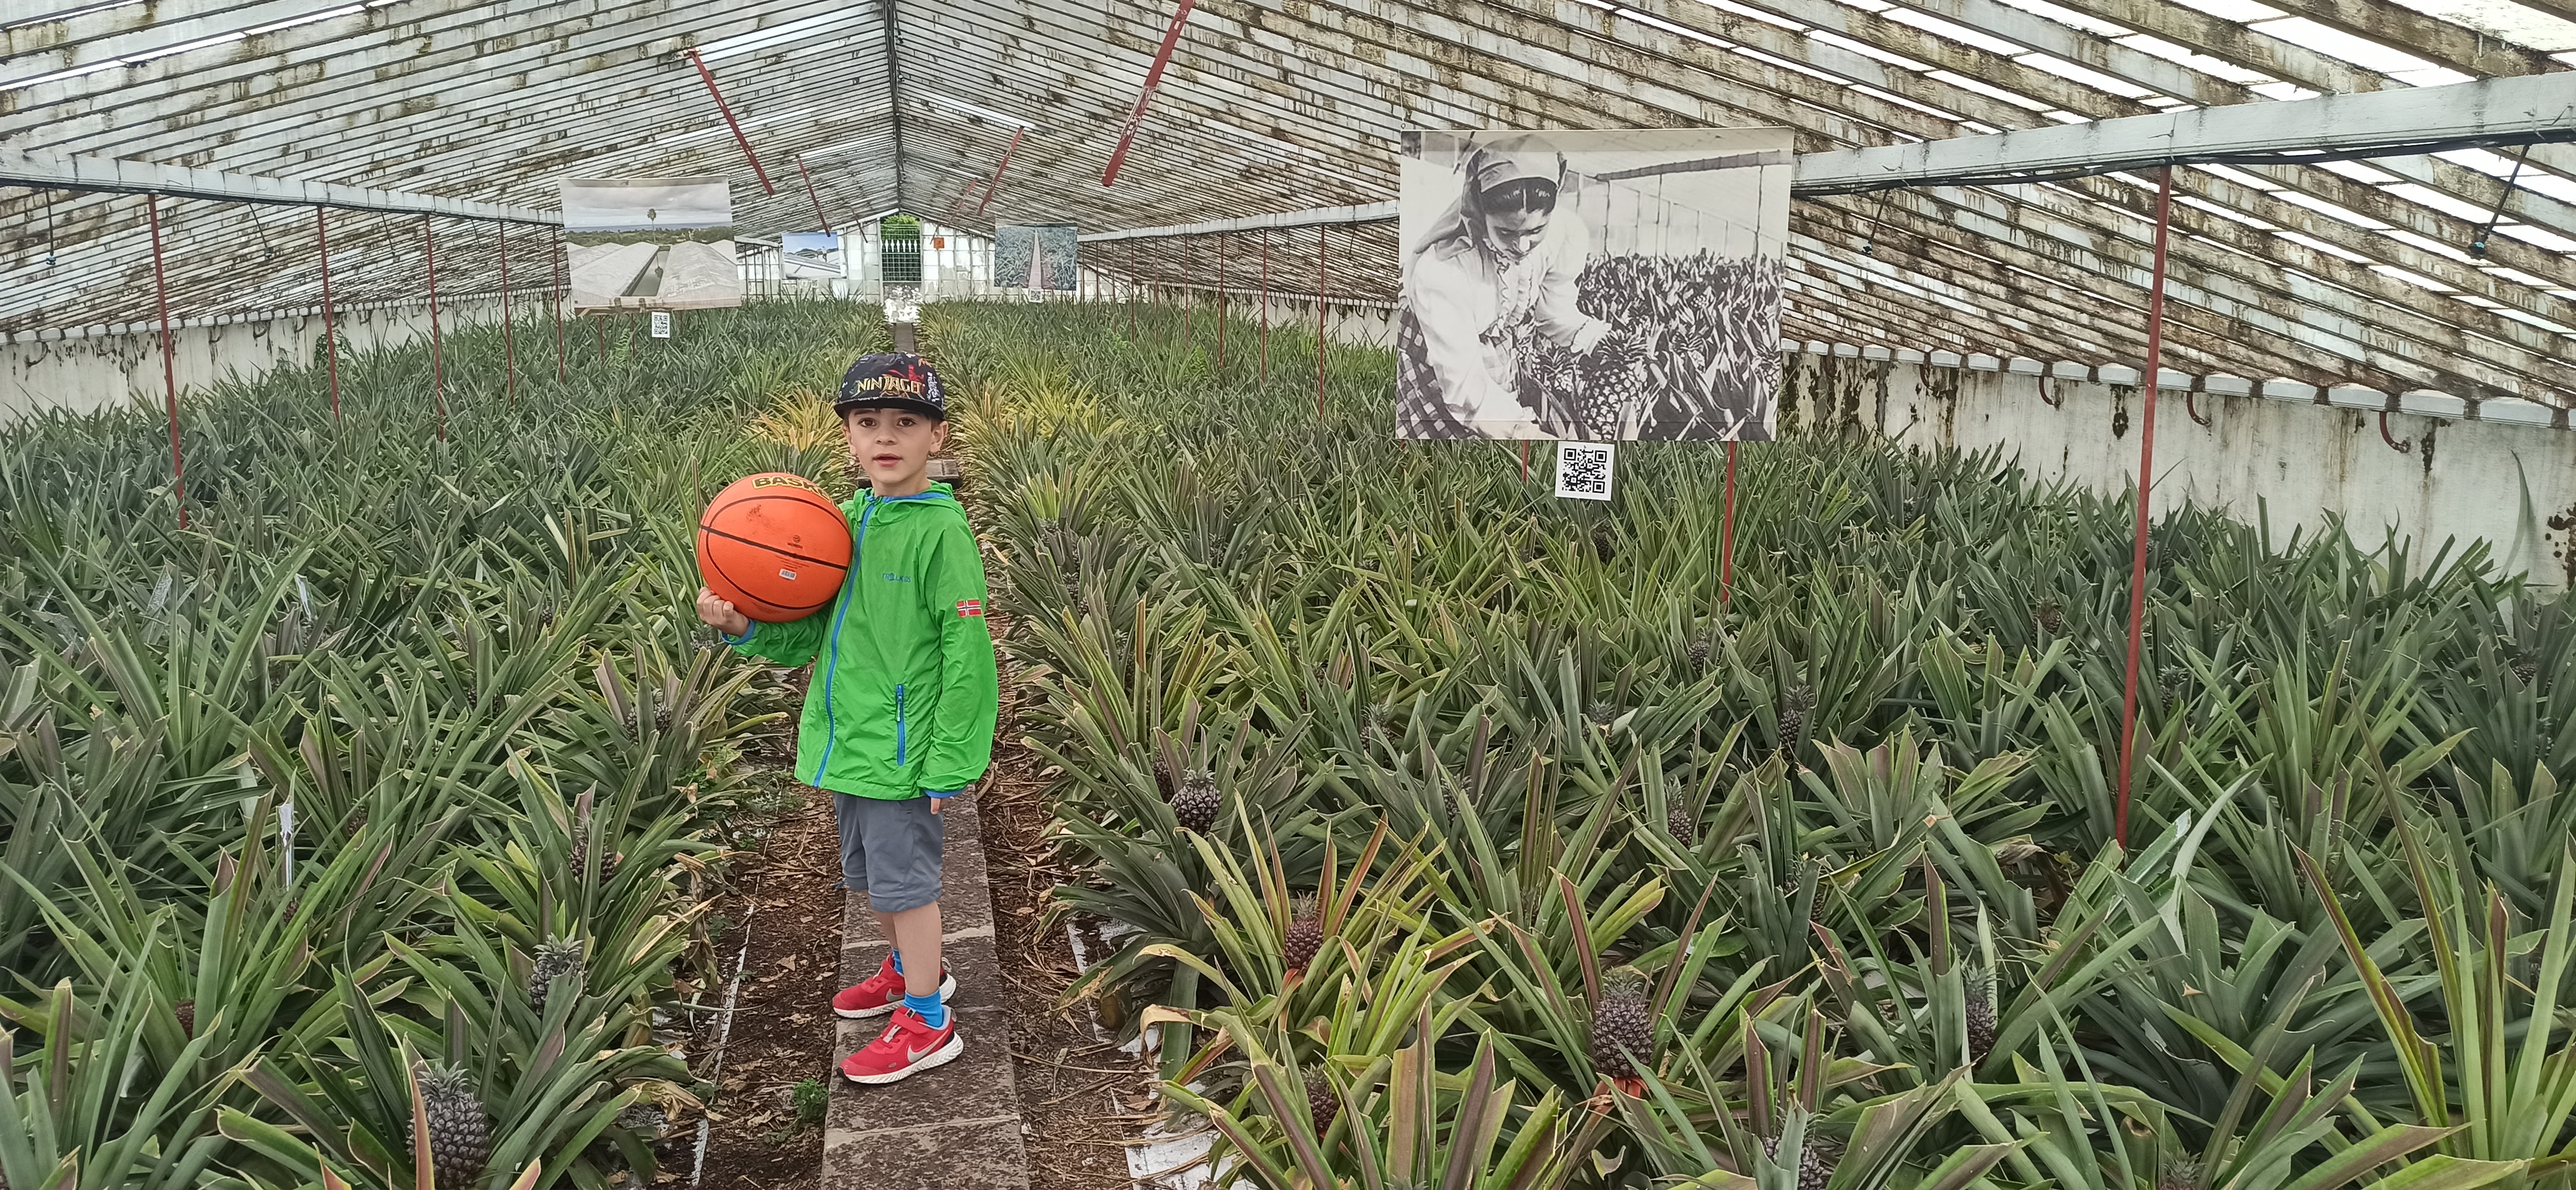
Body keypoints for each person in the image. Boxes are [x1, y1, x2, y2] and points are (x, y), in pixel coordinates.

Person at [696, 353, 999, 1086]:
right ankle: (909, 970)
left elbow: (967, 653)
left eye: (906, 422)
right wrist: (744, 626)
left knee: (907, 887)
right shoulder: (846, 521)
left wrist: (951, 761)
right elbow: (814, 635)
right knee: (871, 880)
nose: (885, 436)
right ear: (849, 438)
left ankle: (928, 1020)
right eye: (868, 422)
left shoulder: (940, 533)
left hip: (902, 752)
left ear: (938, 436)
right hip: (852, 742)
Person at [1397, 134, 1642, 440]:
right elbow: (1465, 388)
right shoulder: (1445, 269)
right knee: (1443, 456)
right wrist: (1525, 433)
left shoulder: (1564, 235)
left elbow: (1554, 315)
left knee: (1499, 456)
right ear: (1480, 211)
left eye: (1537, 230)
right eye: (1506, 232)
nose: (1523, 246)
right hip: (1439, 363)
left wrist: (1601, 341)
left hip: (1496, 357)